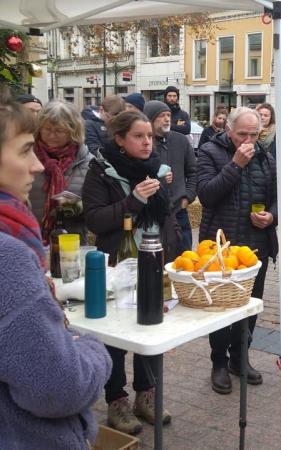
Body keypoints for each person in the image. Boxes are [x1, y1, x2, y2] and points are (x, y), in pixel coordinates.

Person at [0, 97, 112, 449]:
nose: (35, 166)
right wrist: (93, 347)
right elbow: (59, 387)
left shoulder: (86, 162)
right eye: (24, 150)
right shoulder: (9, 259)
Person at [82, 111, 178, 434]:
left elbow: (167, 217)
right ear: (120, 140)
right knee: (118, 335)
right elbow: (95, 220)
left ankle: (146, 396)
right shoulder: (101, 171)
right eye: (139, 136)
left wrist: (173, 253)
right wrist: (133, 200)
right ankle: (117, 400)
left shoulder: (157, 170)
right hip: (117, 264)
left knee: (151, 330)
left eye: (149, 136)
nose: (147, 142)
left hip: (153, 261)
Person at [197, 107, 277, 393]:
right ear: (229, 130)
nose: (248, 140)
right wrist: (235, 165)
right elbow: (206, 194)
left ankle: (240, 358)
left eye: (254, 134)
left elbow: (278, 197)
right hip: (220, 246)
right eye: (242, 133)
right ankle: (219, 362)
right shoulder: (209, 151)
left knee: (249, 306)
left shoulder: (266, 156)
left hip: (255, 245)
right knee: (220, 307)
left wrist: (272, 216)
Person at [29, 99, 94, 242]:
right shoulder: (27, 157)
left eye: (59, 131)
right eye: (46, 129)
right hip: (29, 240)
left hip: (71, 244)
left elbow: (97, 210)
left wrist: (78, 207)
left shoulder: (88, 163)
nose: (52, 135)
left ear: (73, 131)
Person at [144, 100, 197, 254]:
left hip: (179, 213)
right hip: (152, 215)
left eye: (168, 115)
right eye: (161, 116)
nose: (167, 119)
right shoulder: (144, 143)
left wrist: (188, 197)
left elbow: (193, 172)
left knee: (184, 259)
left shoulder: (181, 140)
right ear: (149, 119)